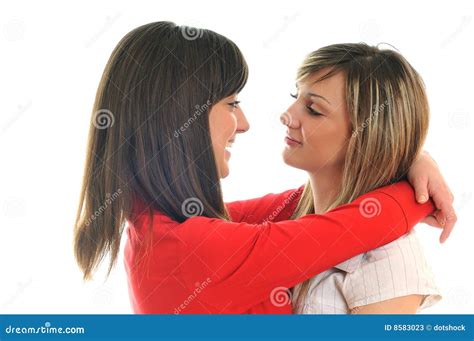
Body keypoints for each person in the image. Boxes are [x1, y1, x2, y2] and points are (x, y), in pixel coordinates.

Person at [73, 22, 456, 314]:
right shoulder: (196, 250)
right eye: (231, 103)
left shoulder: (154, 227)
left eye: (313, 107)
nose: (244, 122)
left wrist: (405, 156)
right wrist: (415, 191)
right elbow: (343, 227)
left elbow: (304, 210)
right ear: (179, 120)